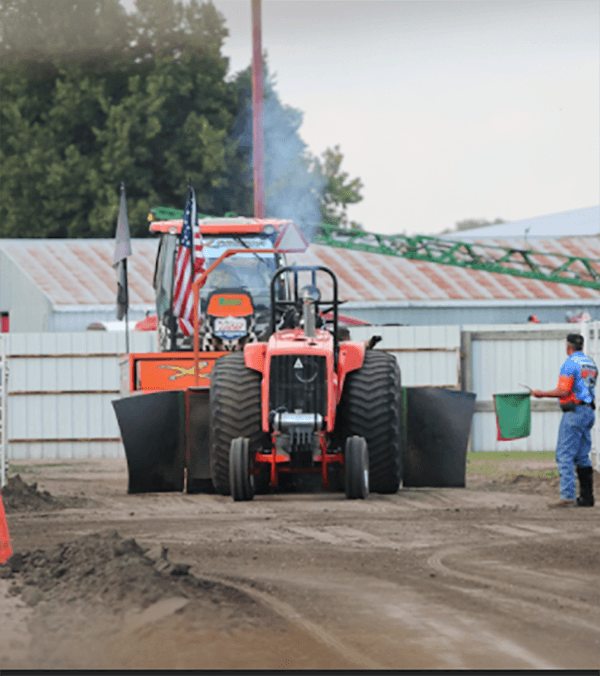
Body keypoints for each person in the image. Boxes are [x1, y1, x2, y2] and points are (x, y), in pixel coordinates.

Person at [531, 333, 596, 508]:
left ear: (568, 347)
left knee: (564, 455)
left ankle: (567, 495)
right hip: (589, 411)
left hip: (574, 412)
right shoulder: (590, 363)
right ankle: (587, 498)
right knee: (583, 456)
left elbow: (564, 391)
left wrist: (541, 394)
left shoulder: (569, 363)